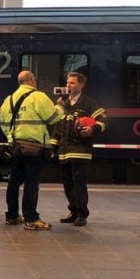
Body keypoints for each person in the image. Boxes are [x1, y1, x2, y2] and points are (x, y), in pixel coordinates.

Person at [0, 70, 62, 230]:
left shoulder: (8, 100)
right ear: (32, 80)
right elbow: (53, 118)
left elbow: (4, 125)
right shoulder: (38, 96)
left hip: (15, 147)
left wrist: (12, 139)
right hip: (34, 148)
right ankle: (31, 218)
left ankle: (12, 216)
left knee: (13, 182)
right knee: (31, 183)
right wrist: (60, 107)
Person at [49, 71, 107, 226]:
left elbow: (104, 119)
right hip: (64, 151)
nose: (69, 85)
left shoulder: (88, 102)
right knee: (68, 183)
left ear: (81, 84)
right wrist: (53, 146)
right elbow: (58, 127)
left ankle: (82, 214)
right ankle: (73, 211)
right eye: (68, 83)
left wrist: (92, 130)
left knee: (79, 182)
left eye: (72, 82)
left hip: (81, 151)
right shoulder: (64, 103)